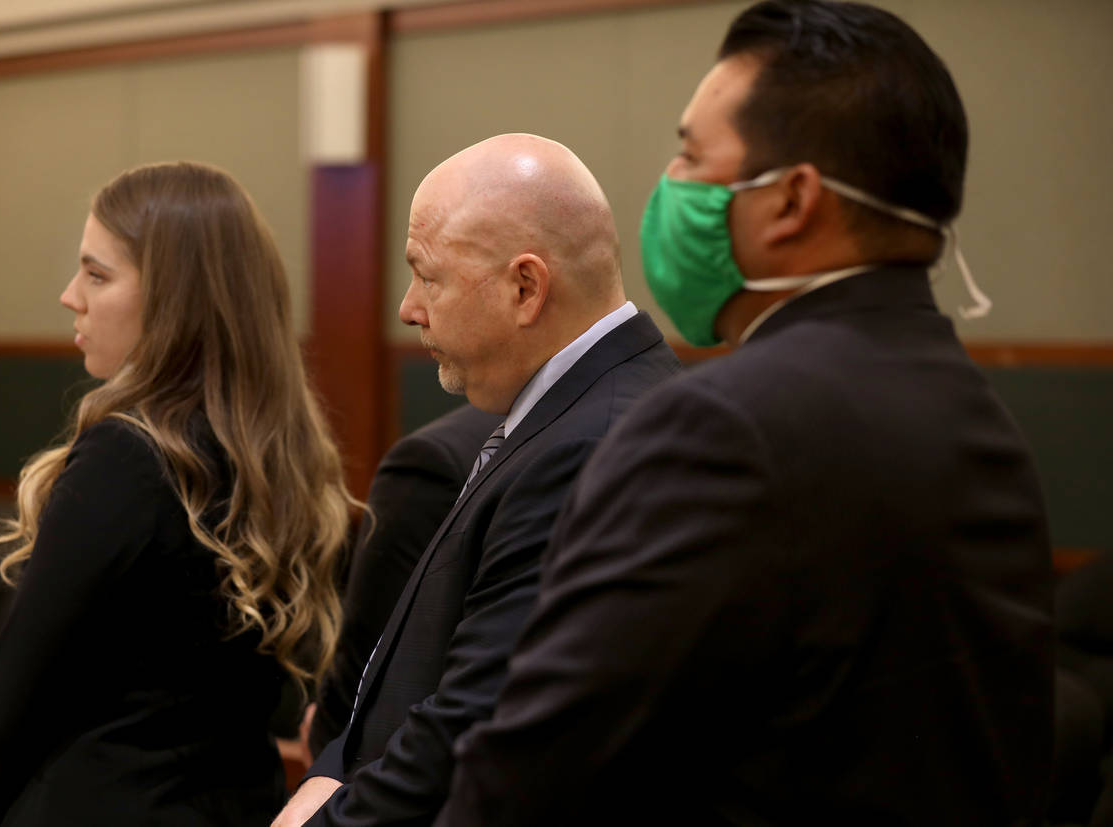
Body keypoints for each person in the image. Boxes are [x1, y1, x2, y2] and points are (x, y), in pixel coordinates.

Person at [437, 3, 1054, 825]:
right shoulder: (978, 416)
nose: (670, 184)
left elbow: (534, 775)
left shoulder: (721, 429)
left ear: (792, 200)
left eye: (692, 154)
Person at [0, 161, 355, 827]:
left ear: (175, 298)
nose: (71, 295)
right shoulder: (283, 460)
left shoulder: (129, 453)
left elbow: (21, 679)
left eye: (97, 274)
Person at [272, 133, 680, 826]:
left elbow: (472, 723)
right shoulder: (564, 408)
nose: (408, 307)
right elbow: (405, 674)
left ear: (525, 287)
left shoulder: (592, 442)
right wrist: (333, 769)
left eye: (428, 276)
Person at [305, 403, 502, 759]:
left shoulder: (431, 461)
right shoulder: (625, 409)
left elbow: (366, 672)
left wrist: (324, 765)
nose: (427, 343)